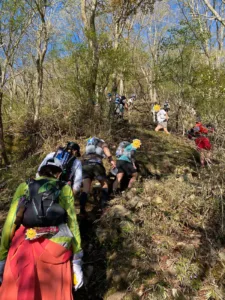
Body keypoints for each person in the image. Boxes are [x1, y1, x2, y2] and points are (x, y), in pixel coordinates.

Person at [0, 158, 83, 299]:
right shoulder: (64, 188)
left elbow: (11, 222)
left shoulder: (25, 186)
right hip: (57, 246)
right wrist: (77, 260)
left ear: (40, 171)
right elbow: (72, 223)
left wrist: (2, 256)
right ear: (57, 174)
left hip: (25, 244)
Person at [80, 137, 116, 215]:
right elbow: (106, 149)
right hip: (96, 164)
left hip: (85, 165)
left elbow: (82, 158)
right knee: (104, 184)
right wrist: (111, 160)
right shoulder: (101, 142)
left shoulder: (88, 146)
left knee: (86, 188)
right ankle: (104, 207)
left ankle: (82, 210)